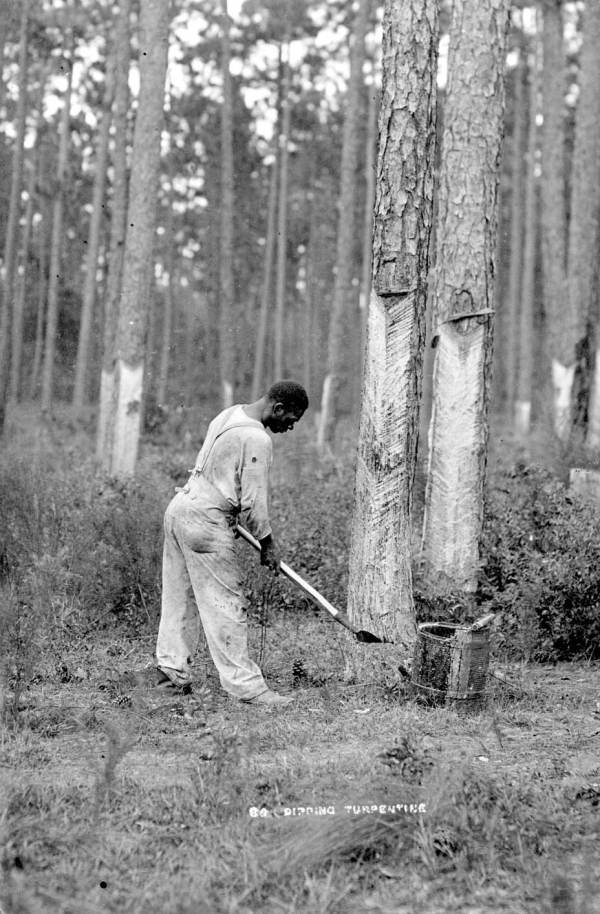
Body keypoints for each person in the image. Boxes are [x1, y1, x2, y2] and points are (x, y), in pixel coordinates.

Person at [155, 380, 309, 706]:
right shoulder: (257, 438)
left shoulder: (229, 414)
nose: (289, 428)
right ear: (277, 409)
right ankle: (248, 688)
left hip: (181, 508)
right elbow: (254, 501)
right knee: (225, 606)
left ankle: (171, 675)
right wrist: (267, 543)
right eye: (290, 420)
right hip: (205, 523)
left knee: (179, 599)